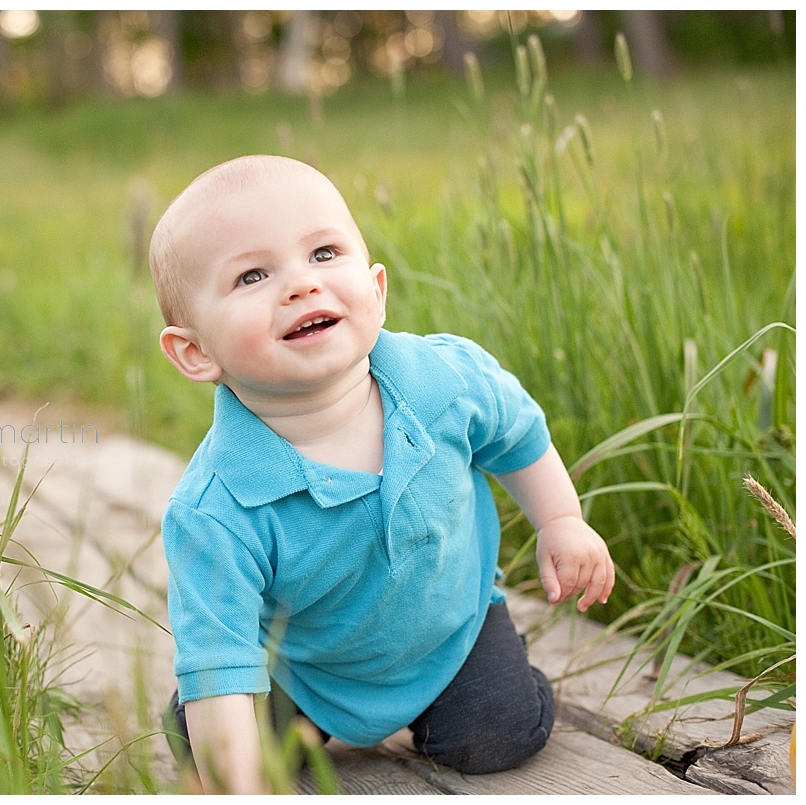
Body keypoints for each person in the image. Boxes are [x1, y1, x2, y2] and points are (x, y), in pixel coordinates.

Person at [148, 154, 615, 794]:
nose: (300, 285)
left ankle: (475, 690)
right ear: (195, 351)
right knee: (217, 746)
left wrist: (561, 520)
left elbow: (516, 433)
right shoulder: (216, 509)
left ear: (377, 288)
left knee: (500, 734)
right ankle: (262, 729)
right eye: (253, 274)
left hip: (452, 631)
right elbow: (220, 654)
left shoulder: (444, 381)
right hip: (305, 668)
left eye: (323, 253)